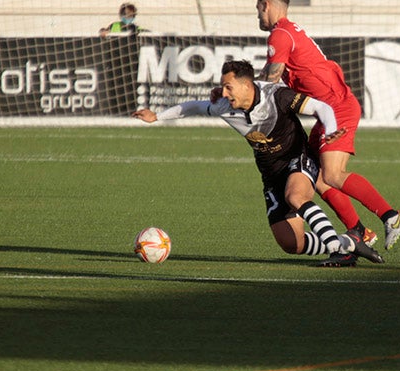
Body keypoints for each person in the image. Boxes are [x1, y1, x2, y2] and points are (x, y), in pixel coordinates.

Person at [133, 60, 383, 267]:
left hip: (298, 158)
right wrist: (157, 116)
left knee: (296, 196)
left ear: (245, 85)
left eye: (228, 87)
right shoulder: (224, 106)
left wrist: (330, 130)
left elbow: (321, 107)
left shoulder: (277, 96)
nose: (224, 92)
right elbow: (194, 107)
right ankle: (349, 243)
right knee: (291, 244)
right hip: (271, 173)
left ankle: (340, 252)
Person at [255, 0, 400, 263]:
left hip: (336, 108)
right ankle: (358, 232)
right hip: (327, 110)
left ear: (266, 5)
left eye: (258, 9)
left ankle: (391, 216)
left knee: (333, 175)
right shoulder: (288, 32)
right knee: (316, 178)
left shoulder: (279, 35)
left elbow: (271, 79)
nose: (257, 16)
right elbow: (268, 76)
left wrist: (241, 96)